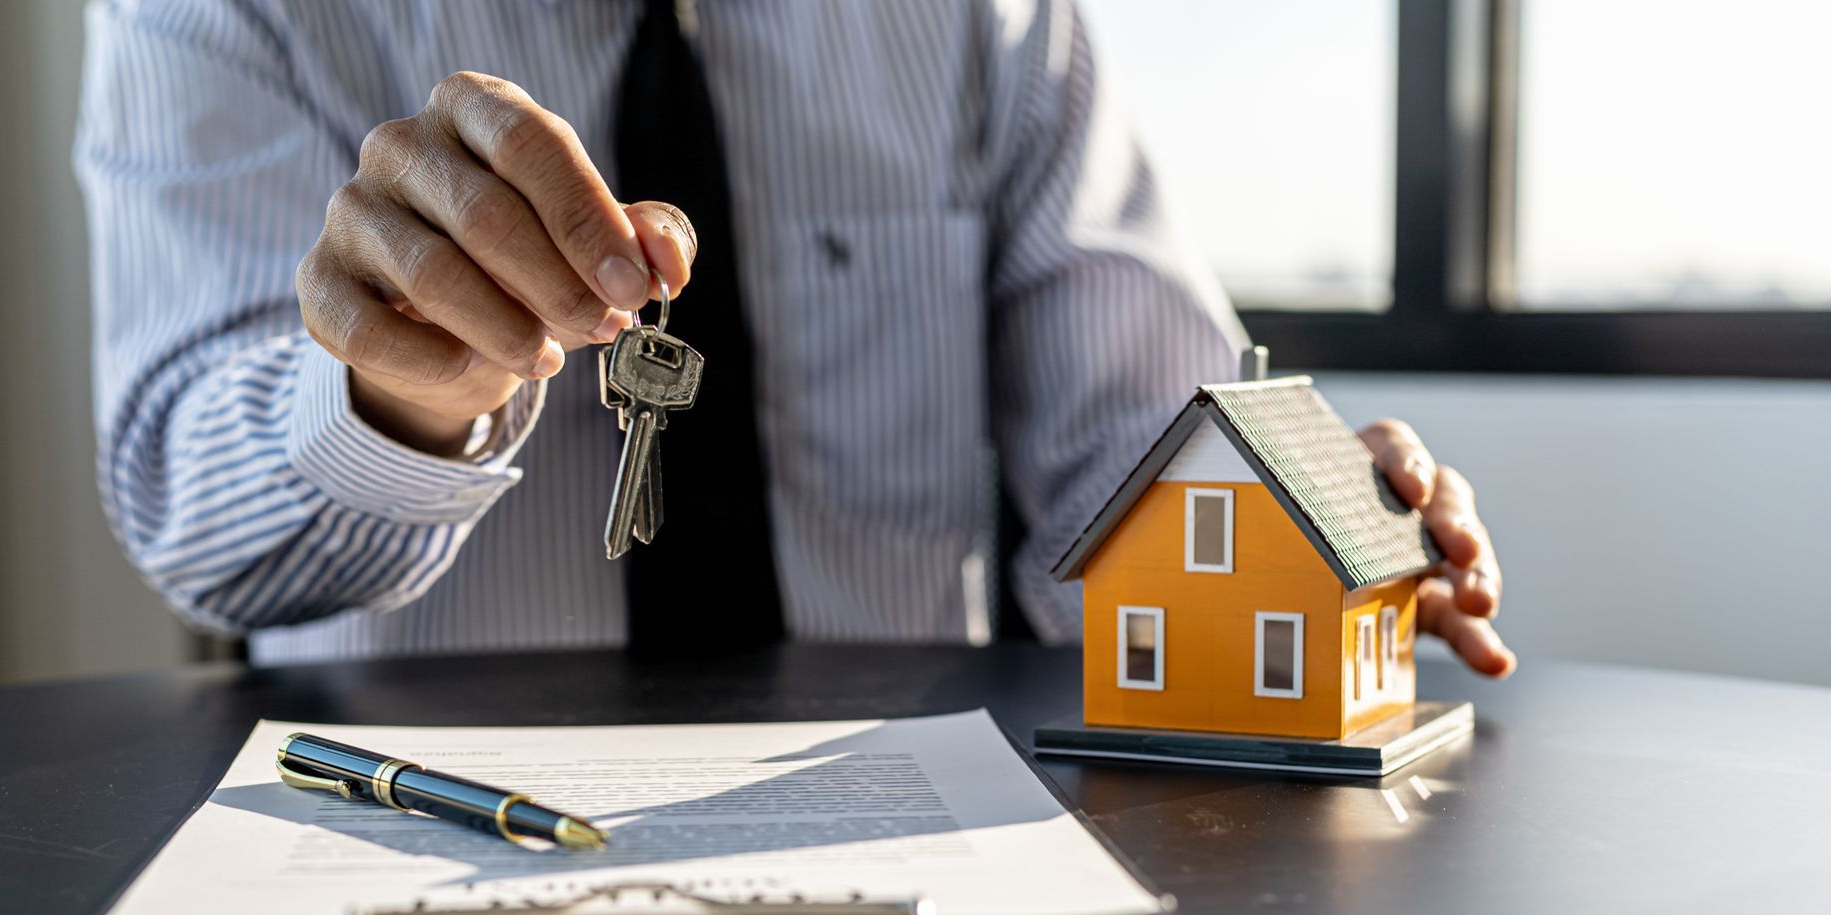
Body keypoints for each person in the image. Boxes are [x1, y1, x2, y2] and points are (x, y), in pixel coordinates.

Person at [75, 0, 1513, 675]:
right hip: (409, 865)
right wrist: (385, 397)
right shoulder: (221, 11)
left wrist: (1307, 536)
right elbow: (199, 535)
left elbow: (1128, 471)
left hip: (922, 871)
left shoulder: (987, 19)